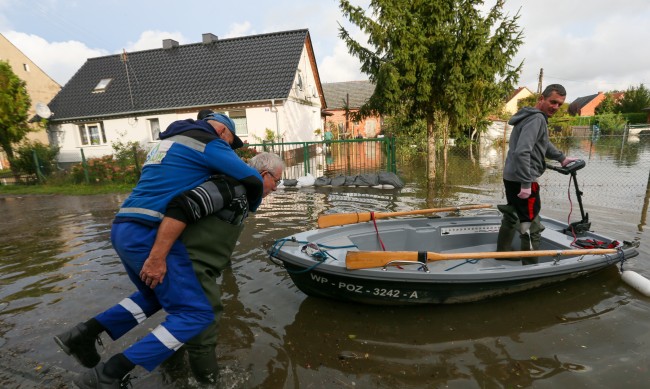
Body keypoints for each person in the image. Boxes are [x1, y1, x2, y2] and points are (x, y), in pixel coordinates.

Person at [54, 113, 264, 388]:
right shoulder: (208, 142)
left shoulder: (166, 142)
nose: (228, 147)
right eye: (230, 142)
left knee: (154, 296)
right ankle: (110, 374)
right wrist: (251, 204)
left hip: (123, 226)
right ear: (223, 131)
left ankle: (83, 334)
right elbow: (252, 178)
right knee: (197, 314)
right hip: (149, 231)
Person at [496, 84, 577, 263]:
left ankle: (502, 252)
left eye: (559, 104)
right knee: (531, 223)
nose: (555, 107)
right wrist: (526, 183)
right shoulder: (537, 119)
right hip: (523, 179)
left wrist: (561, 158)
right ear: (541, 99)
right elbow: (523, 151)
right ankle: (531, 266)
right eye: (552, 102)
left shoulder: (528, 116)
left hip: (511, 175)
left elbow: (542, 143)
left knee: (512, 213)